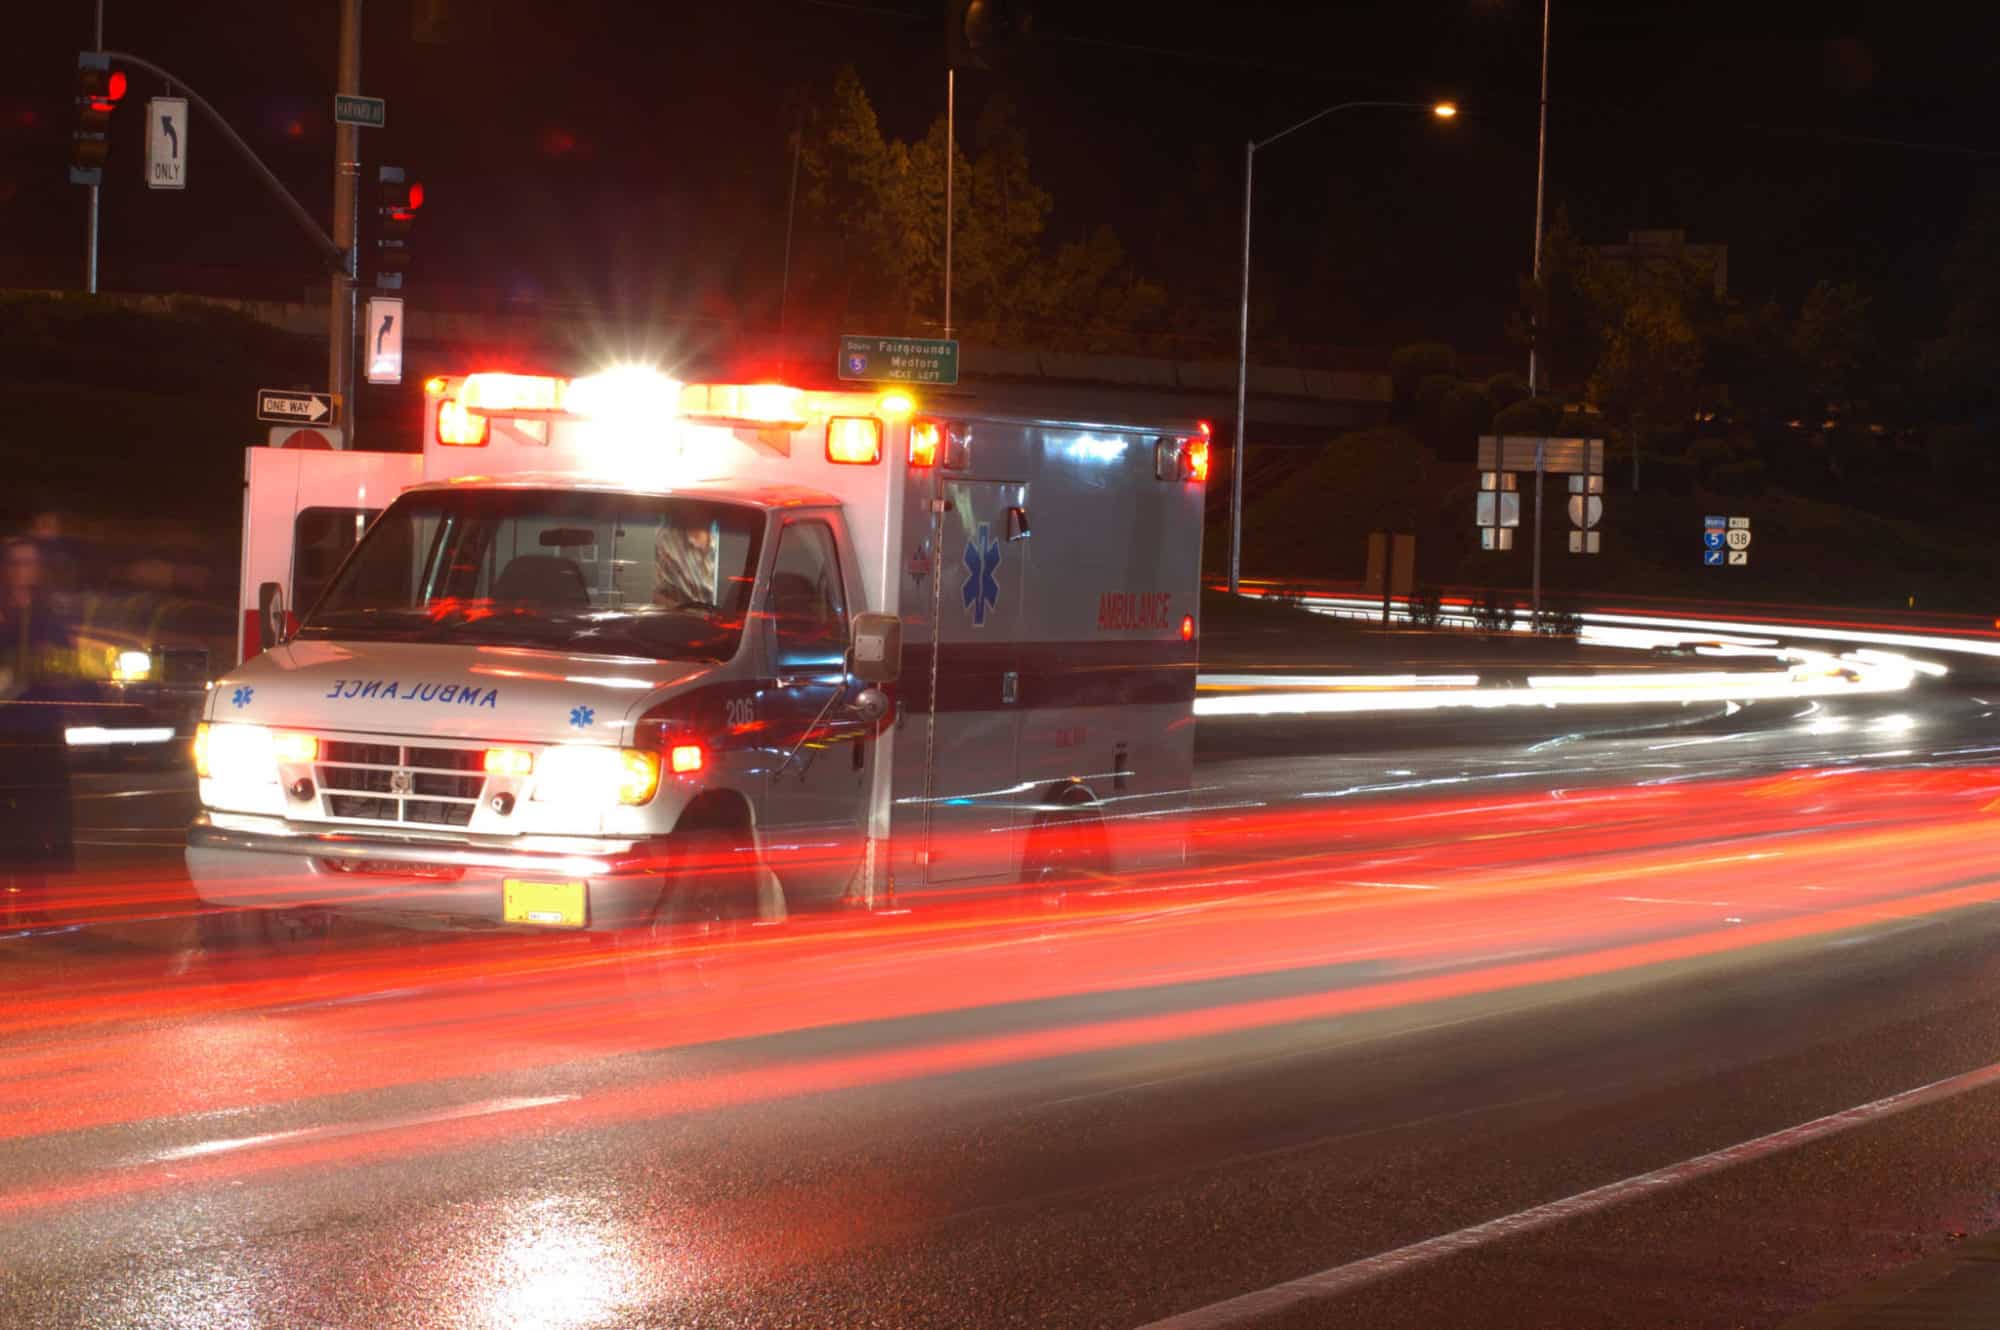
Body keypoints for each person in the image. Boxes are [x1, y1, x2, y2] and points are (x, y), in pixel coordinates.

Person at [0, 537, 78, 910]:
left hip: (40, 728)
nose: (21, 571)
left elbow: (65, 663)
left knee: (39, 816)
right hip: (4, 729)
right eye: (14, 563)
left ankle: (34, 904)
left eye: (28, 563)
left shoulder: (47, 614)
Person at [653, 515, 720, 608]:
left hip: (718, 619)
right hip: (677, 619)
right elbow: (654, 595)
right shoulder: (665, 539)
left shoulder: (726, 537)